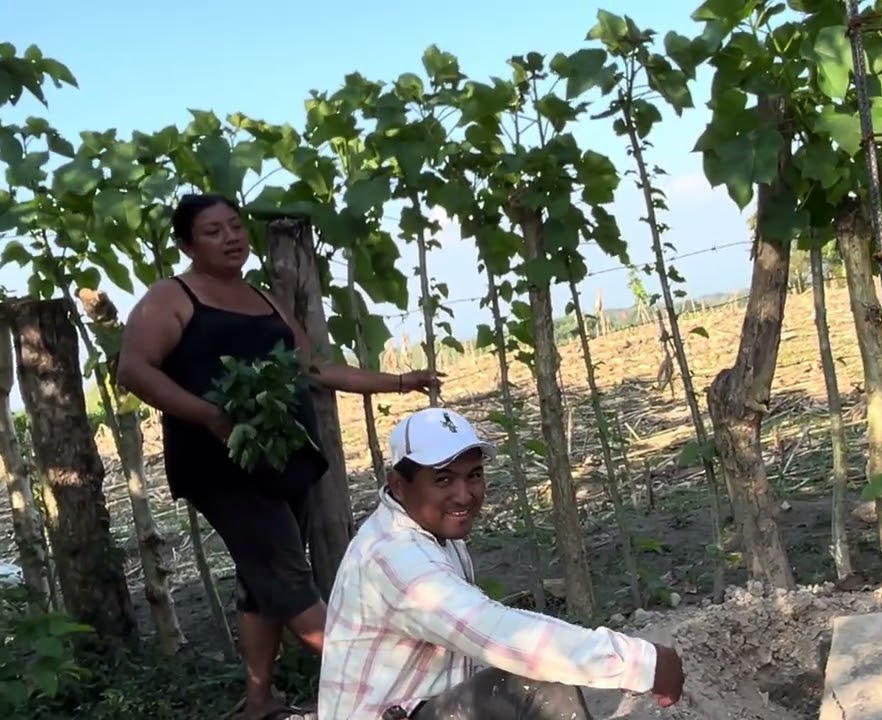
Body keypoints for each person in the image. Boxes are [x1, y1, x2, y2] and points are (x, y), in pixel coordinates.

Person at [117, 193, 443, 720]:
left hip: (282, 461)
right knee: (287, 581)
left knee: (258, 580)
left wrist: (400, 382)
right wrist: (209, 416)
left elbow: (310, 368)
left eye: (235, 226)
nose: (232, 237)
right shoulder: (171, 299)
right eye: (213, 231)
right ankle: (391, 684)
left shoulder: (262, 299)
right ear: (186, 245)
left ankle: (259, 702)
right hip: (222, 468)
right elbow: (133, 370)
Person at [318, 407, 685, 719]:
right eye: (443, 479)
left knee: (534, 669)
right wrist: (641, 662)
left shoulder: (426, 530)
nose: (464, 495)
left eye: (474, 475)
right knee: (541, 682)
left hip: (418, 707)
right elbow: (499, 633)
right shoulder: (395, 558)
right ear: (398, 484)